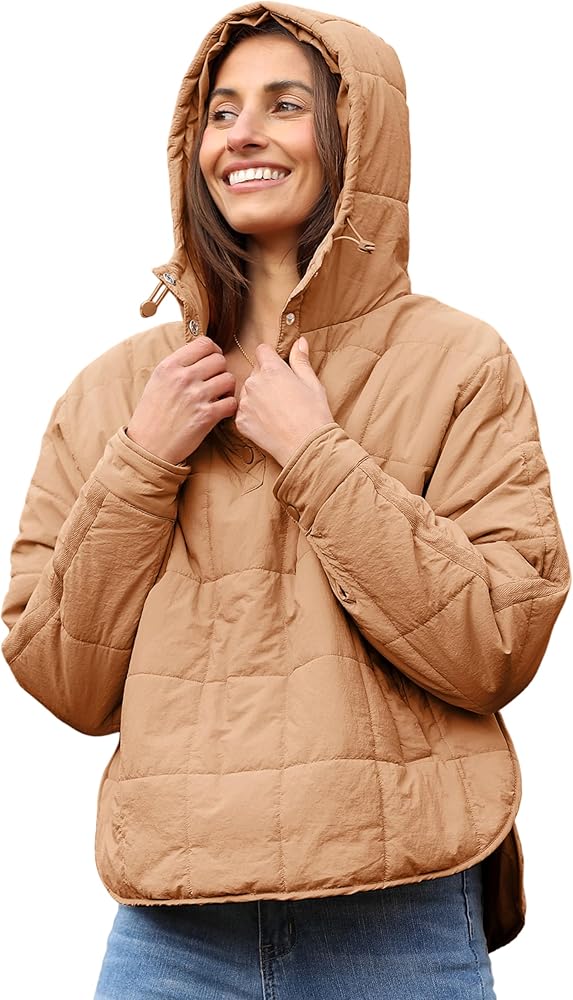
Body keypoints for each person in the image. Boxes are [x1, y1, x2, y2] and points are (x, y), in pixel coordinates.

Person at [1, 2, 569, 998]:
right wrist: (142, 460)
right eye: (220, 112)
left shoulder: (458, 362)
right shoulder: (117, 394)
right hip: (174, 929)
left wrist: (315, 450)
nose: (244, 134)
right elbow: (61, 677)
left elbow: (493, 645)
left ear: (357, 136)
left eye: (285, 105)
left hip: (399, 917)